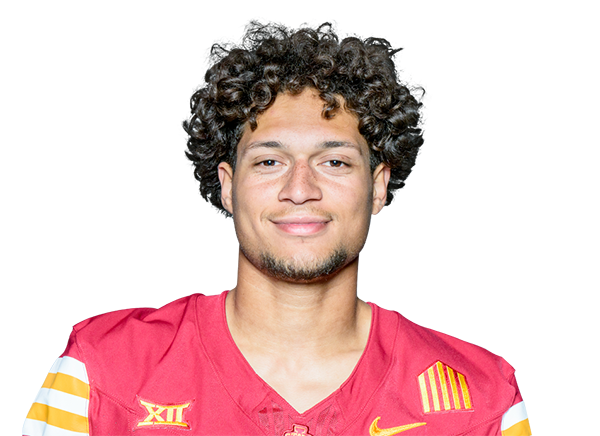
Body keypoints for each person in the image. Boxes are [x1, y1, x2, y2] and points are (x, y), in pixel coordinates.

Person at [23, 20, 531, 436]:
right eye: (269, 162)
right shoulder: (103, 374)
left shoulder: (483, 404)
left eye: (334, 162)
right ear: (227, 186)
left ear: (377, 188)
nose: (300, 188)